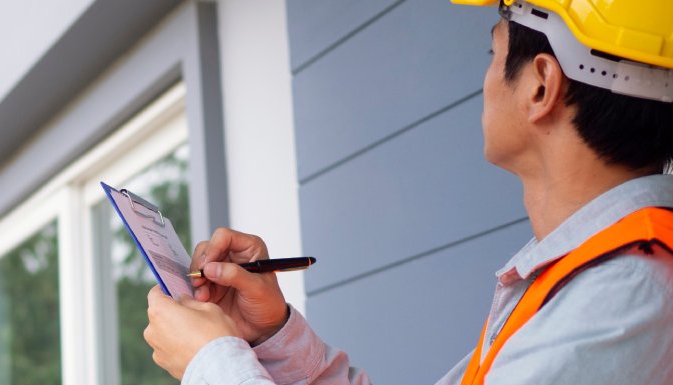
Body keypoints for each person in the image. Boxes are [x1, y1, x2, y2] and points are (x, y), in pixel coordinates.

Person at [143, 0, 673, 384]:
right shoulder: (588, 284)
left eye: (491, 52)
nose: (485, 78)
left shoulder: (627, 295)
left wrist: (212, 363)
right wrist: (270, 337)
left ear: (541, 85)